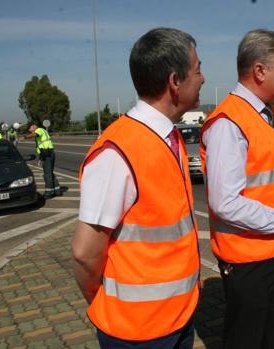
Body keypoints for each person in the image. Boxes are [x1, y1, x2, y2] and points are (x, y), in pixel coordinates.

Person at [72, 27, 204, 349]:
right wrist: (103, 302)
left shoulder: (168, 137)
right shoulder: (118, 151)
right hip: (137, 333)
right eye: (198, 69)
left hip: (177, 318)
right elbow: (84, 254)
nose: (203, 78)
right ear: (175, 82)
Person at [200, 29, 274, 349]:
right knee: (247, 340)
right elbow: (225, 203)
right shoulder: (229, 123)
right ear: (260, 70)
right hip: (250, 262)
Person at [26, 123, 61, 199]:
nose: (30, 130)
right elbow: (41, 147)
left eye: (30, 128)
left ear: (34, 126)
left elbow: (35, 135)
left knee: (47, 174)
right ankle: (57, 190)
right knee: (50, 173)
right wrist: (40, 159)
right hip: (47, 153)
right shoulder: (42, 131)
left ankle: (49, 192)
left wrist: (25, 137)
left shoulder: (39, 130)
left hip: (47, 154)